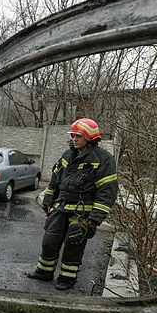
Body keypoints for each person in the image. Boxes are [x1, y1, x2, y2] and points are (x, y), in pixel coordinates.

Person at [26, 118, 118, 291]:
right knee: (49, 241)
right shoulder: (67, 155)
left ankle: (67, 278)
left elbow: (107, 191)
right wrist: (48, 199)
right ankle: (44, 272)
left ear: (90, 138)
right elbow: (55, 180)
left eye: (78, 136)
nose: (74, 139)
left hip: (82, 212)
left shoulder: (103, 159)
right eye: (73, 135)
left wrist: (95, 218)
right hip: (61, 208)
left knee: (74, 245)